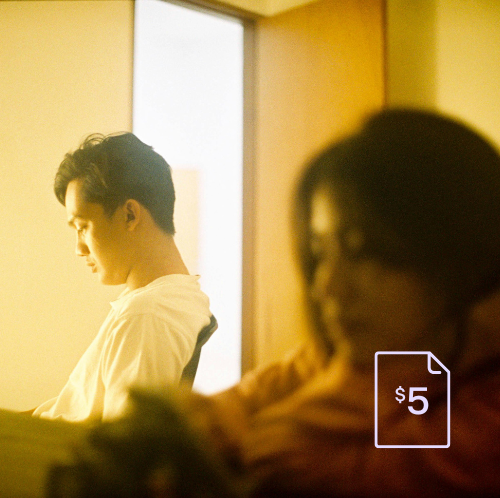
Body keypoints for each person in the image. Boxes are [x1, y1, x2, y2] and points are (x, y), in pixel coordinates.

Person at [48, 109, 500, 498]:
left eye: (359, 249)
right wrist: (192, 424)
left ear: (450, 250)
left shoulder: (480, 413)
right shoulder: (346, 353)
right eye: (320, 253)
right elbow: (247, 399)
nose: (326, 287)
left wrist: (226, 443)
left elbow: (323, 465)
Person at [32, 132, 214, 422]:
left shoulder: (147, 315)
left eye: (83, 226)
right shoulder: (169, 298)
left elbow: (124, 440)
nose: (79, 248)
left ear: (130, 214)